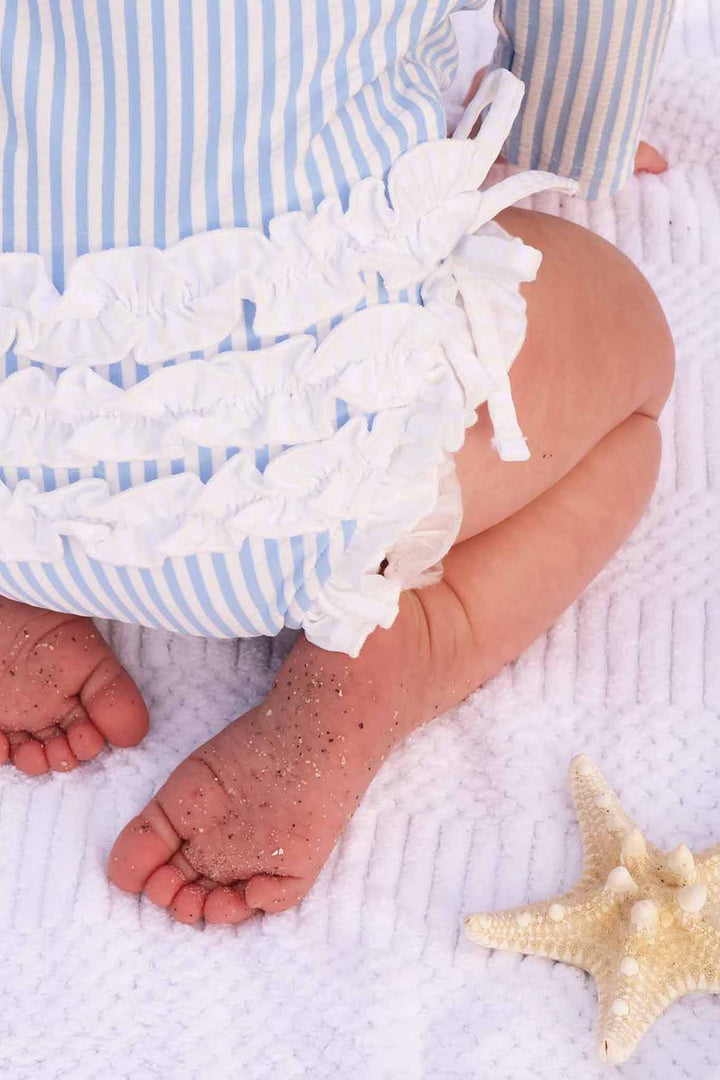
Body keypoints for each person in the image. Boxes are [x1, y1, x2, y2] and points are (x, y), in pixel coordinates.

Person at [0, 0, 673, 925]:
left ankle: (28, 561)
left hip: (16, 458)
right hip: (327, 499)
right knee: (635, 371)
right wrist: (569, 129)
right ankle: (413, 634)